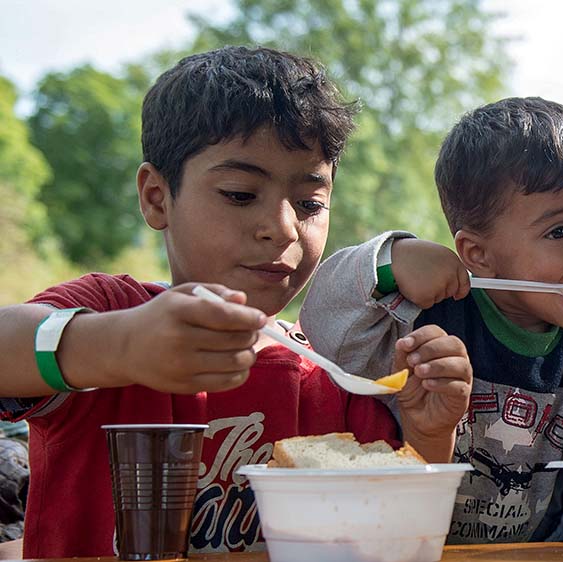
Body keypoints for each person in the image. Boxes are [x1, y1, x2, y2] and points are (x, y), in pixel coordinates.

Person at [0, 46, 472, 558]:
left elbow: (388, 534)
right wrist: (120, 346)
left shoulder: (323, 374)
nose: (283, 228)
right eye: (240, 194)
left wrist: (428, 436)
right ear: (157, 198)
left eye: (310, 203)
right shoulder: (112, 311)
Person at [300, 97, 563, 543]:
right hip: (392, 542)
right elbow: (322, 319)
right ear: (478, 255)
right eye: (559, 231)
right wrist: (390, 260)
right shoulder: (428, 318)